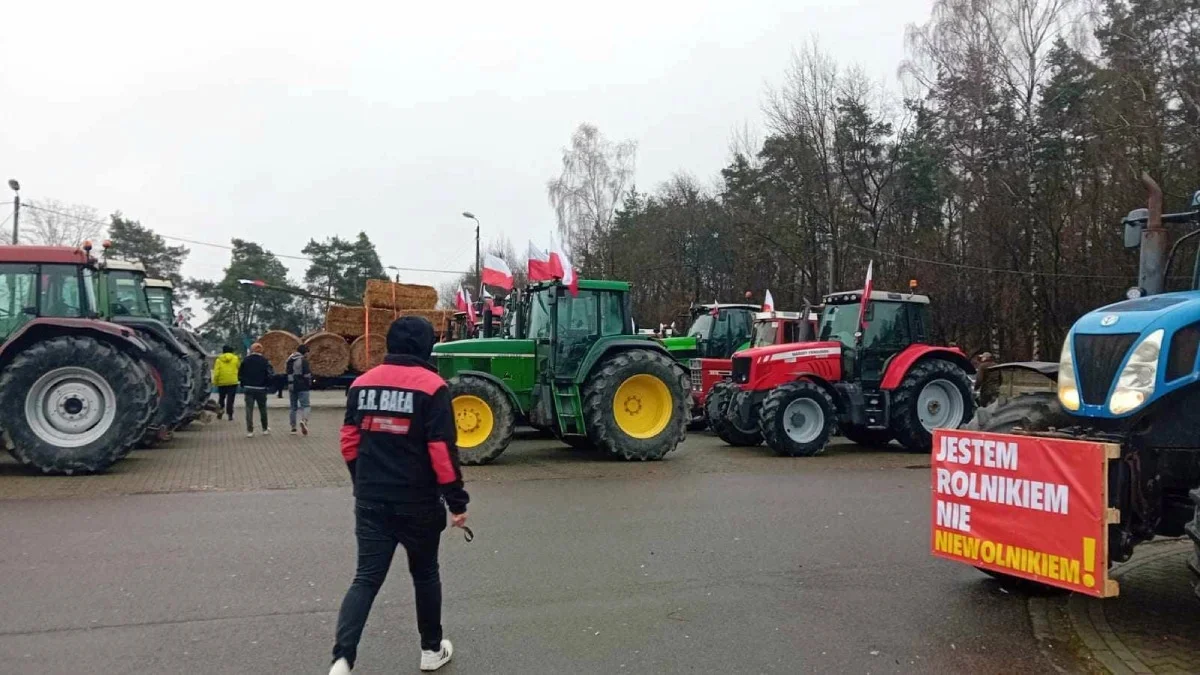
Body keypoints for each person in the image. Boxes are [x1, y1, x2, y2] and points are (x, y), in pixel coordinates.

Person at [329, 316, 469, 675]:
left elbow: (348, 442)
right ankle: (431, 650)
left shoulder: (361, 384)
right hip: (418, 503)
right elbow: (441, 450)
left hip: (371, 501)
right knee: (425, 575)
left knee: (365, 578)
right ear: (426, 347)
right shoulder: (434, 387)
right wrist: (457, 502)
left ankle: (342, 660)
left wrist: (362, 483)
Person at [238, 343, 273, 437]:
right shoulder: (265, 361)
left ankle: (250, 431)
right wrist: (267, 385)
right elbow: (270, 374)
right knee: (263, 409)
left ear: (252, 350)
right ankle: (264, 429)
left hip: (248, 387)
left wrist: (243, 383)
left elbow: (240, 373)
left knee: (249, 409)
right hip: (261, 388)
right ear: (261, 350)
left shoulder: (246, 360)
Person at [286, 344, 313, 435]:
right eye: (307, 353)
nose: (308, 355)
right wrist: (309, 384)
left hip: (291, 386)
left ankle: (293, 428)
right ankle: (304, 420)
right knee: (306, 405)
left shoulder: (289, 360)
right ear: (304, 352)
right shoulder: (303, 361)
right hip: (302, 386)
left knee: (293, 407)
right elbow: (307, 375)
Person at [211, 345, 241, 421]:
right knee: (230, 399)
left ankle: (220, 412)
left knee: (221, 398)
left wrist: (215, 382)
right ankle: (230, 414)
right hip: (232, 381)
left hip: (222, 382)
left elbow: (216, 372)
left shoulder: (219, 360)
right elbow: (238, 368)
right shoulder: (235, 358)